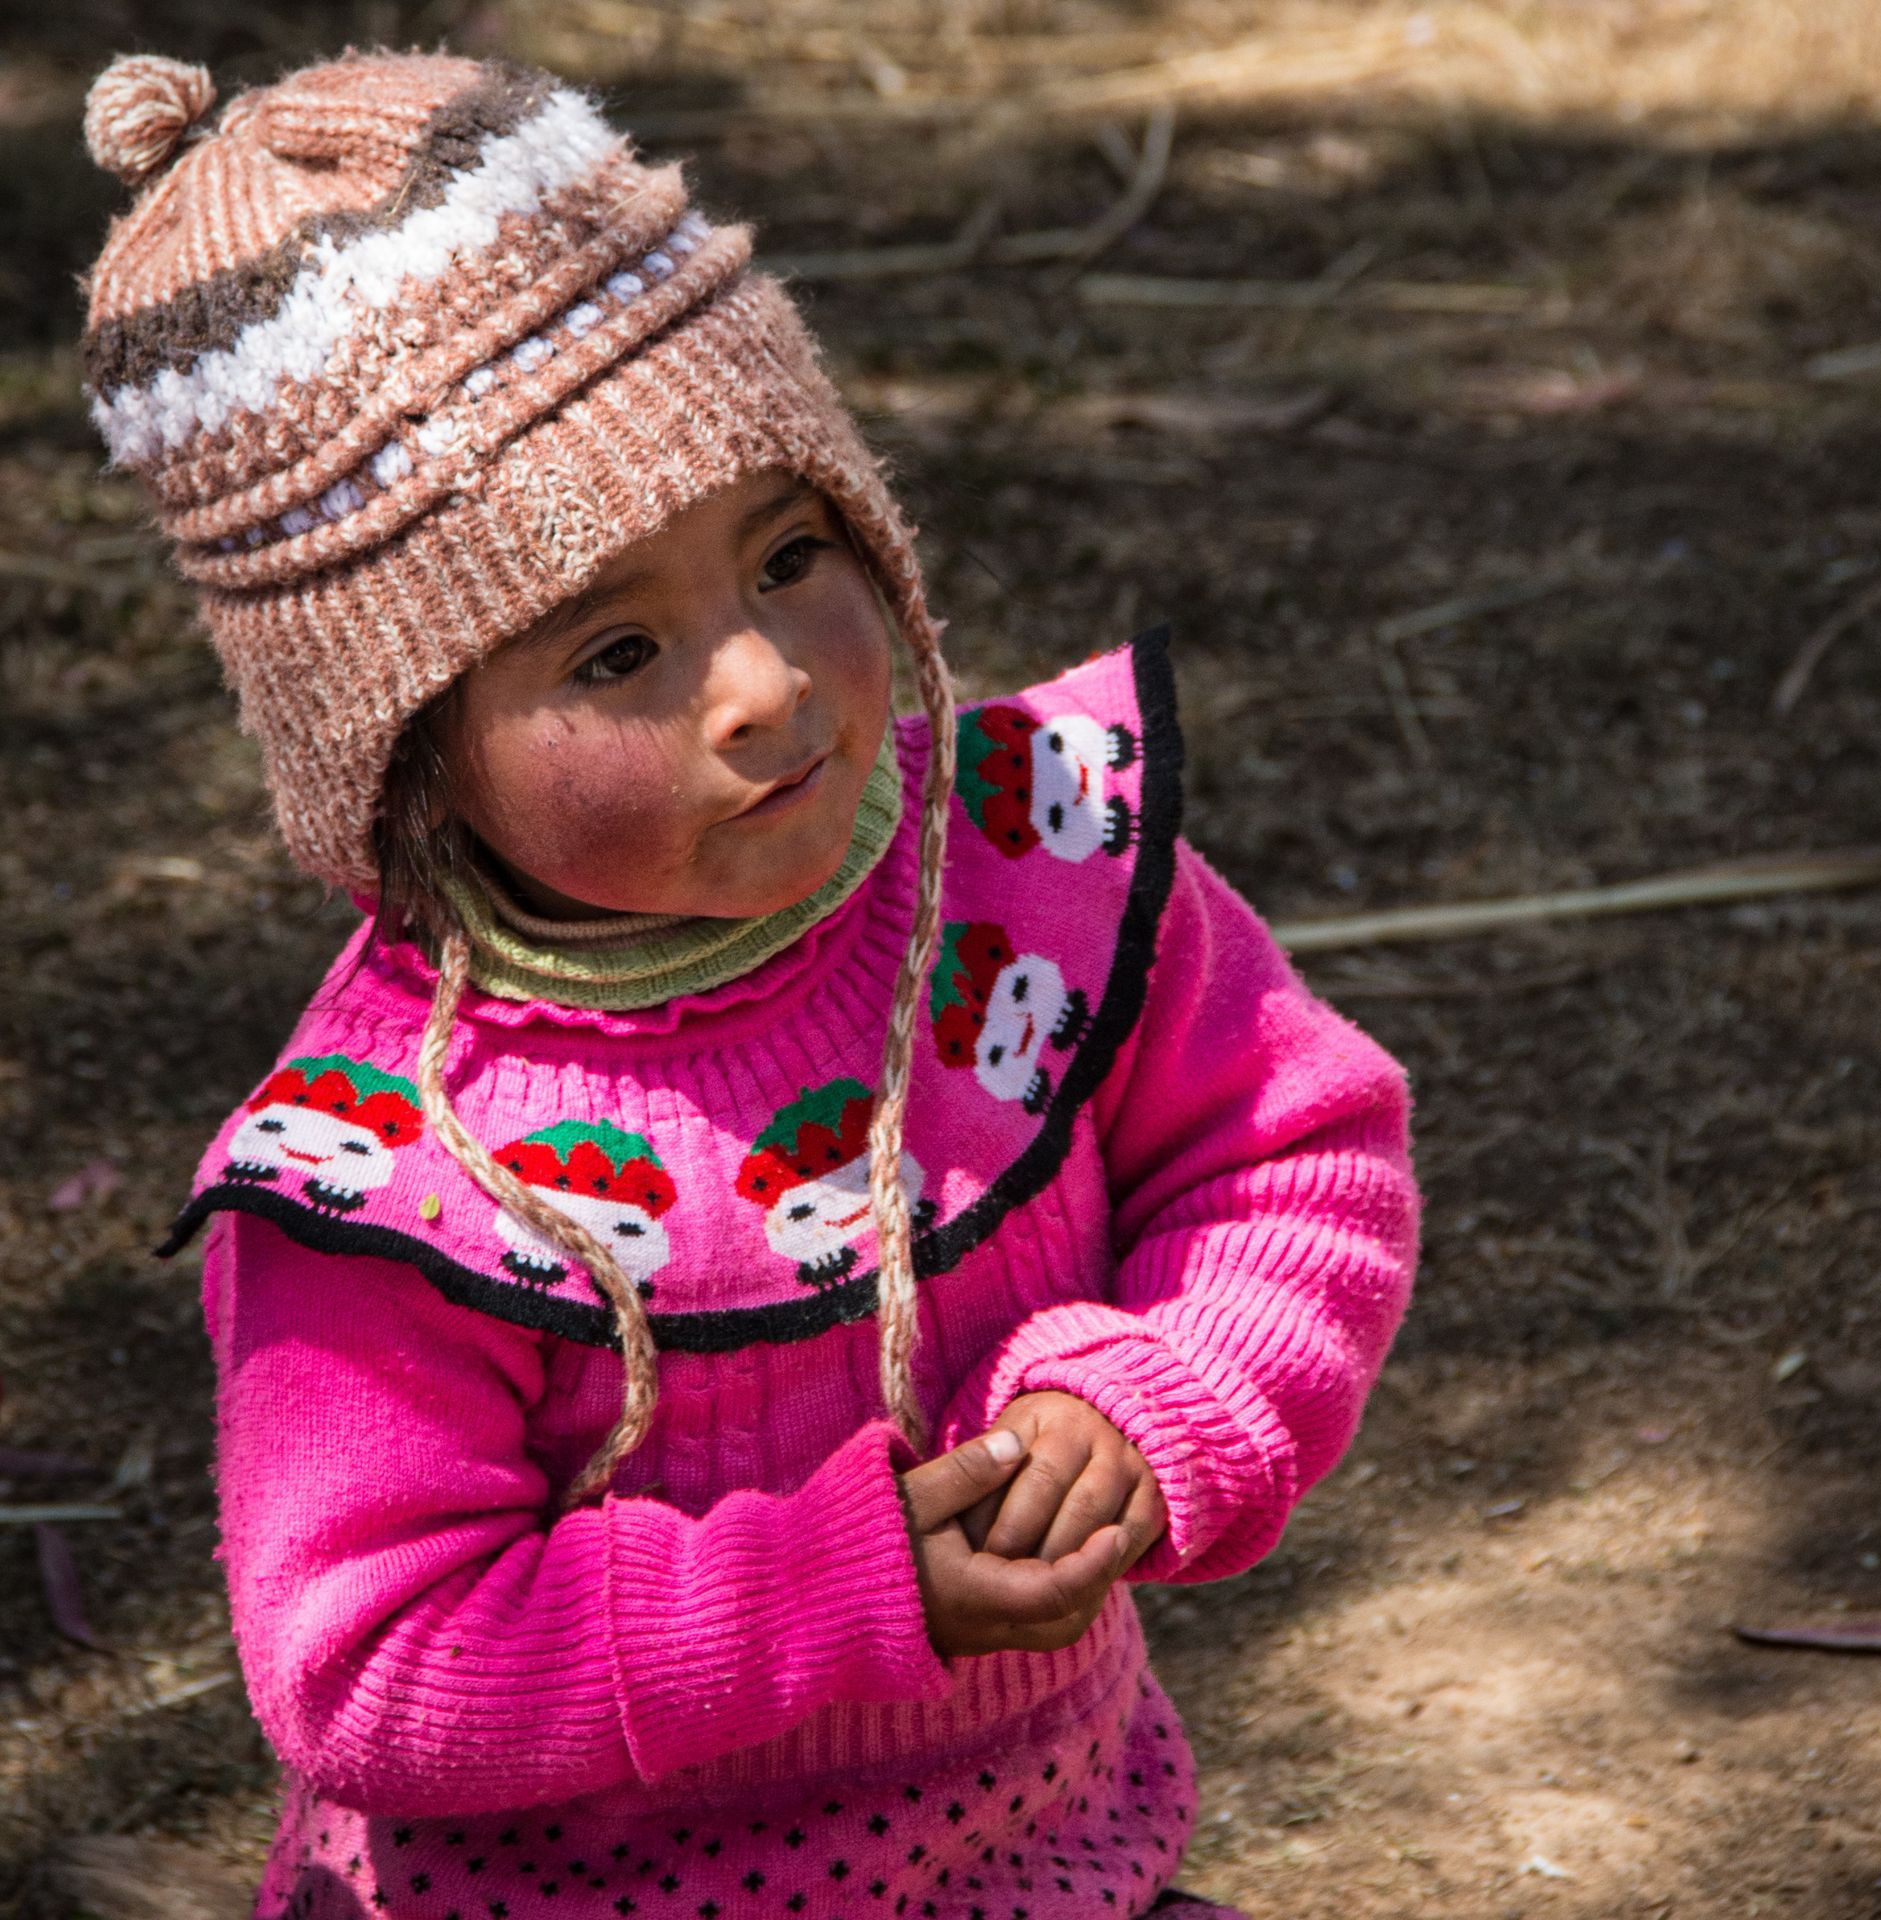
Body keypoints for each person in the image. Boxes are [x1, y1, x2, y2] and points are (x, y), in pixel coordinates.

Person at [79, 47, 1421, 1920]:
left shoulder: (1029, 877)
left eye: (790, 553)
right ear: (403, 755)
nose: (768, 686)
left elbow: (1288, 1156)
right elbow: (375, 1661)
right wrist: (845, 1589)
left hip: (1045, 1861)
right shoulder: (395, 1177)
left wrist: (1166, 1401)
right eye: (619, 649)